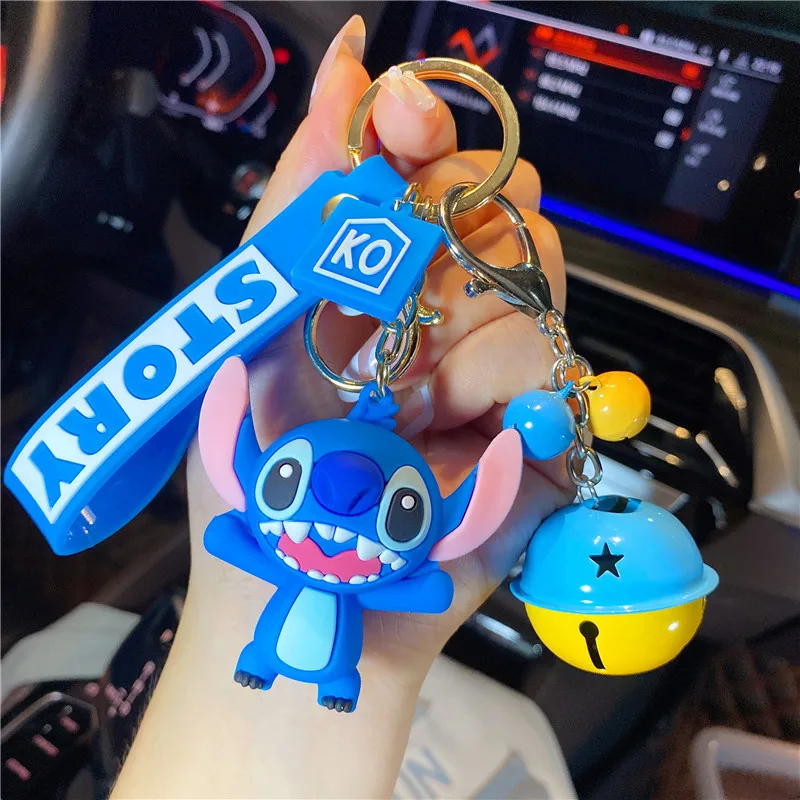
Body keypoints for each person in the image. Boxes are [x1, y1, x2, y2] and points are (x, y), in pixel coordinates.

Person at [112, 16, 571, 799]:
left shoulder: (276, 520)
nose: (340, 505)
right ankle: (282, 667)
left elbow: (236, 531)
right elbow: (239, 529)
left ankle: (298, 671)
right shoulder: (359, 546)